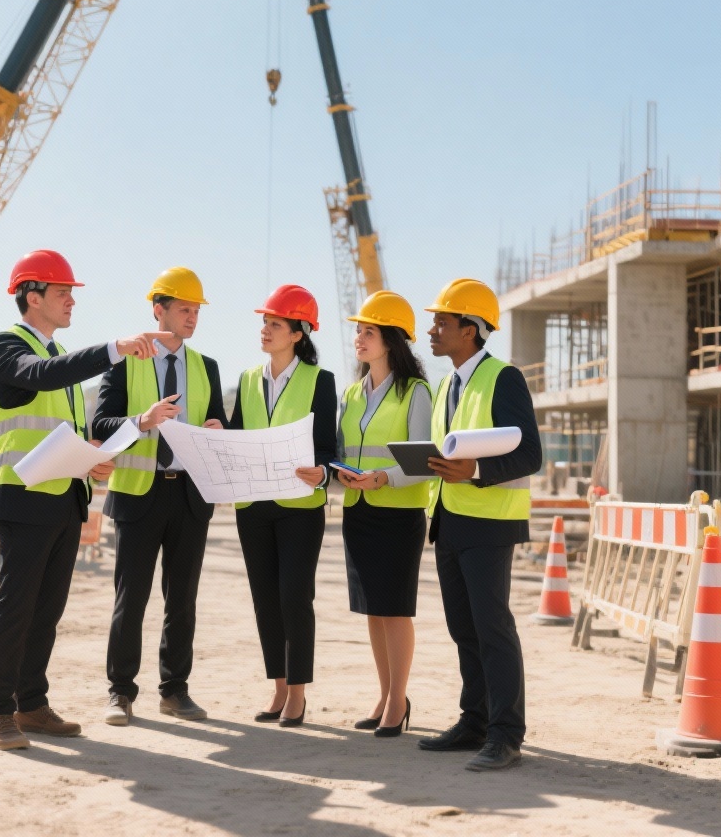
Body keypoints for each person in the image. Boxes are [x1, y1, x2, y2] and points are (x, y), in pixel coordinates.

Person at [0, 248, 171, 752]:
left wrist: (91, 460)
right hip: (21, 495)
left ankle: (31, 704)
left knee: (46, 612)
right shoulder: (7, 346)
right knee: (15, 608)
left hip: (64, 497)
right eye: (63, 292)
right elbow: (41, 377)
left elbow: (61, 432)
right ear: (32, 296)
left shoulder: (56, 358)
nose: (71, 301)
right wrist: (113, 349)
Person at [92, 266, 227, 726]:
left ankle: (175, 690)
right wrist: (142, 422)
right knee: (131, 599)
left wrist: (220, 429)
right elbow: (100, 424)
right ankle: (120, 692)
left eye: (196, 310)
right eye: (184, 308)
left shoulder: (206, 367)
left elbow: (218, 423)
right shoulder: (125, 361)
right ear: (158, 310)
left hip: (190, 496)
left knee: (182, 601)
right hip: (138, 495)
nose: (192, 317)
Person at [417, 278, 542, 771]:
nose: (432, 330)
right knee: (463, 629)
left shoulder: (503, 378)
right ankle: (475, 721)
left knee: (493, 629)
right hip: (449, 520)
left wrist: (475, 471)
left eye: (441, 322)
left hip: (489, 523)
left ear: (469, 329)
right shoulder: (446, 385)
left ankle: (506, 735)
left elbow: (529, 454)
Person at [229, 285, 338, 728]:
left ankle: (297, 692)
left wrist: (323, 471)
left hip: (299, 506)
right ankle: (277, 688)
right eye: (264, 322)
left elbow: (328, 447)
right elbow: (239, 434)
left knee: (295, 597)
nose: (265, 329)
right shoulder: (247, 379)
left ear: (298, 333)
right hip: (252, 505)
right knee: (265, 599)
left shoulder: (320, 381)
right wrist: (220, 432)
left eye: (275, 323)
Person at [333, 290, 433, 738]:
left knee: (395, 610)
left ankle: (399, 699)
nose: (359, 338)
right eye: (358, 330)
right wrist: (341, 473)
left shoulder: (416, 392)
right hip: (358, 512)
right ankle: (385, 694)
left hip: (398, 514)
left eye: (368, 331)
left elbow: (423, 462)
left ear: (391, 339)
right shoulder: (352, 393)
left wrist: (382, 478)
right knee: (373, 611)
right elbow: (341, 450)